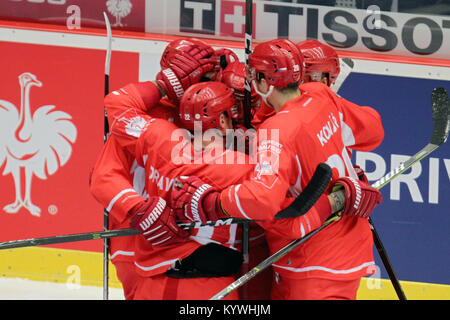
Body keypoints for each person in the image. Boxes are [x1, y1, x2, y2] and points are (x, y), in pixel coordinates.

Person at [169, 38, 385, 300]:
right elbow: (373, 131)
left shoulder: (276, 131)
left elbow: (263, 198)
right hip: (348, 247)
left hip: (309, 260)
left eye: (254, 77)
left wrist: (213, 203)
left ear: (263, 82)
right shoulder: (322, 95)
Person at [90, 37, 219, 299]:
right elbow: (103, 179)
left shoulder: (204, 114)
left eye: (208, 74)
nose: (205, 82)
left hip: (189, 247)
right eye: (197, 73)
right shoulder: (140, 117)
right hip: (137, 241)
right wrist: (138, 209)